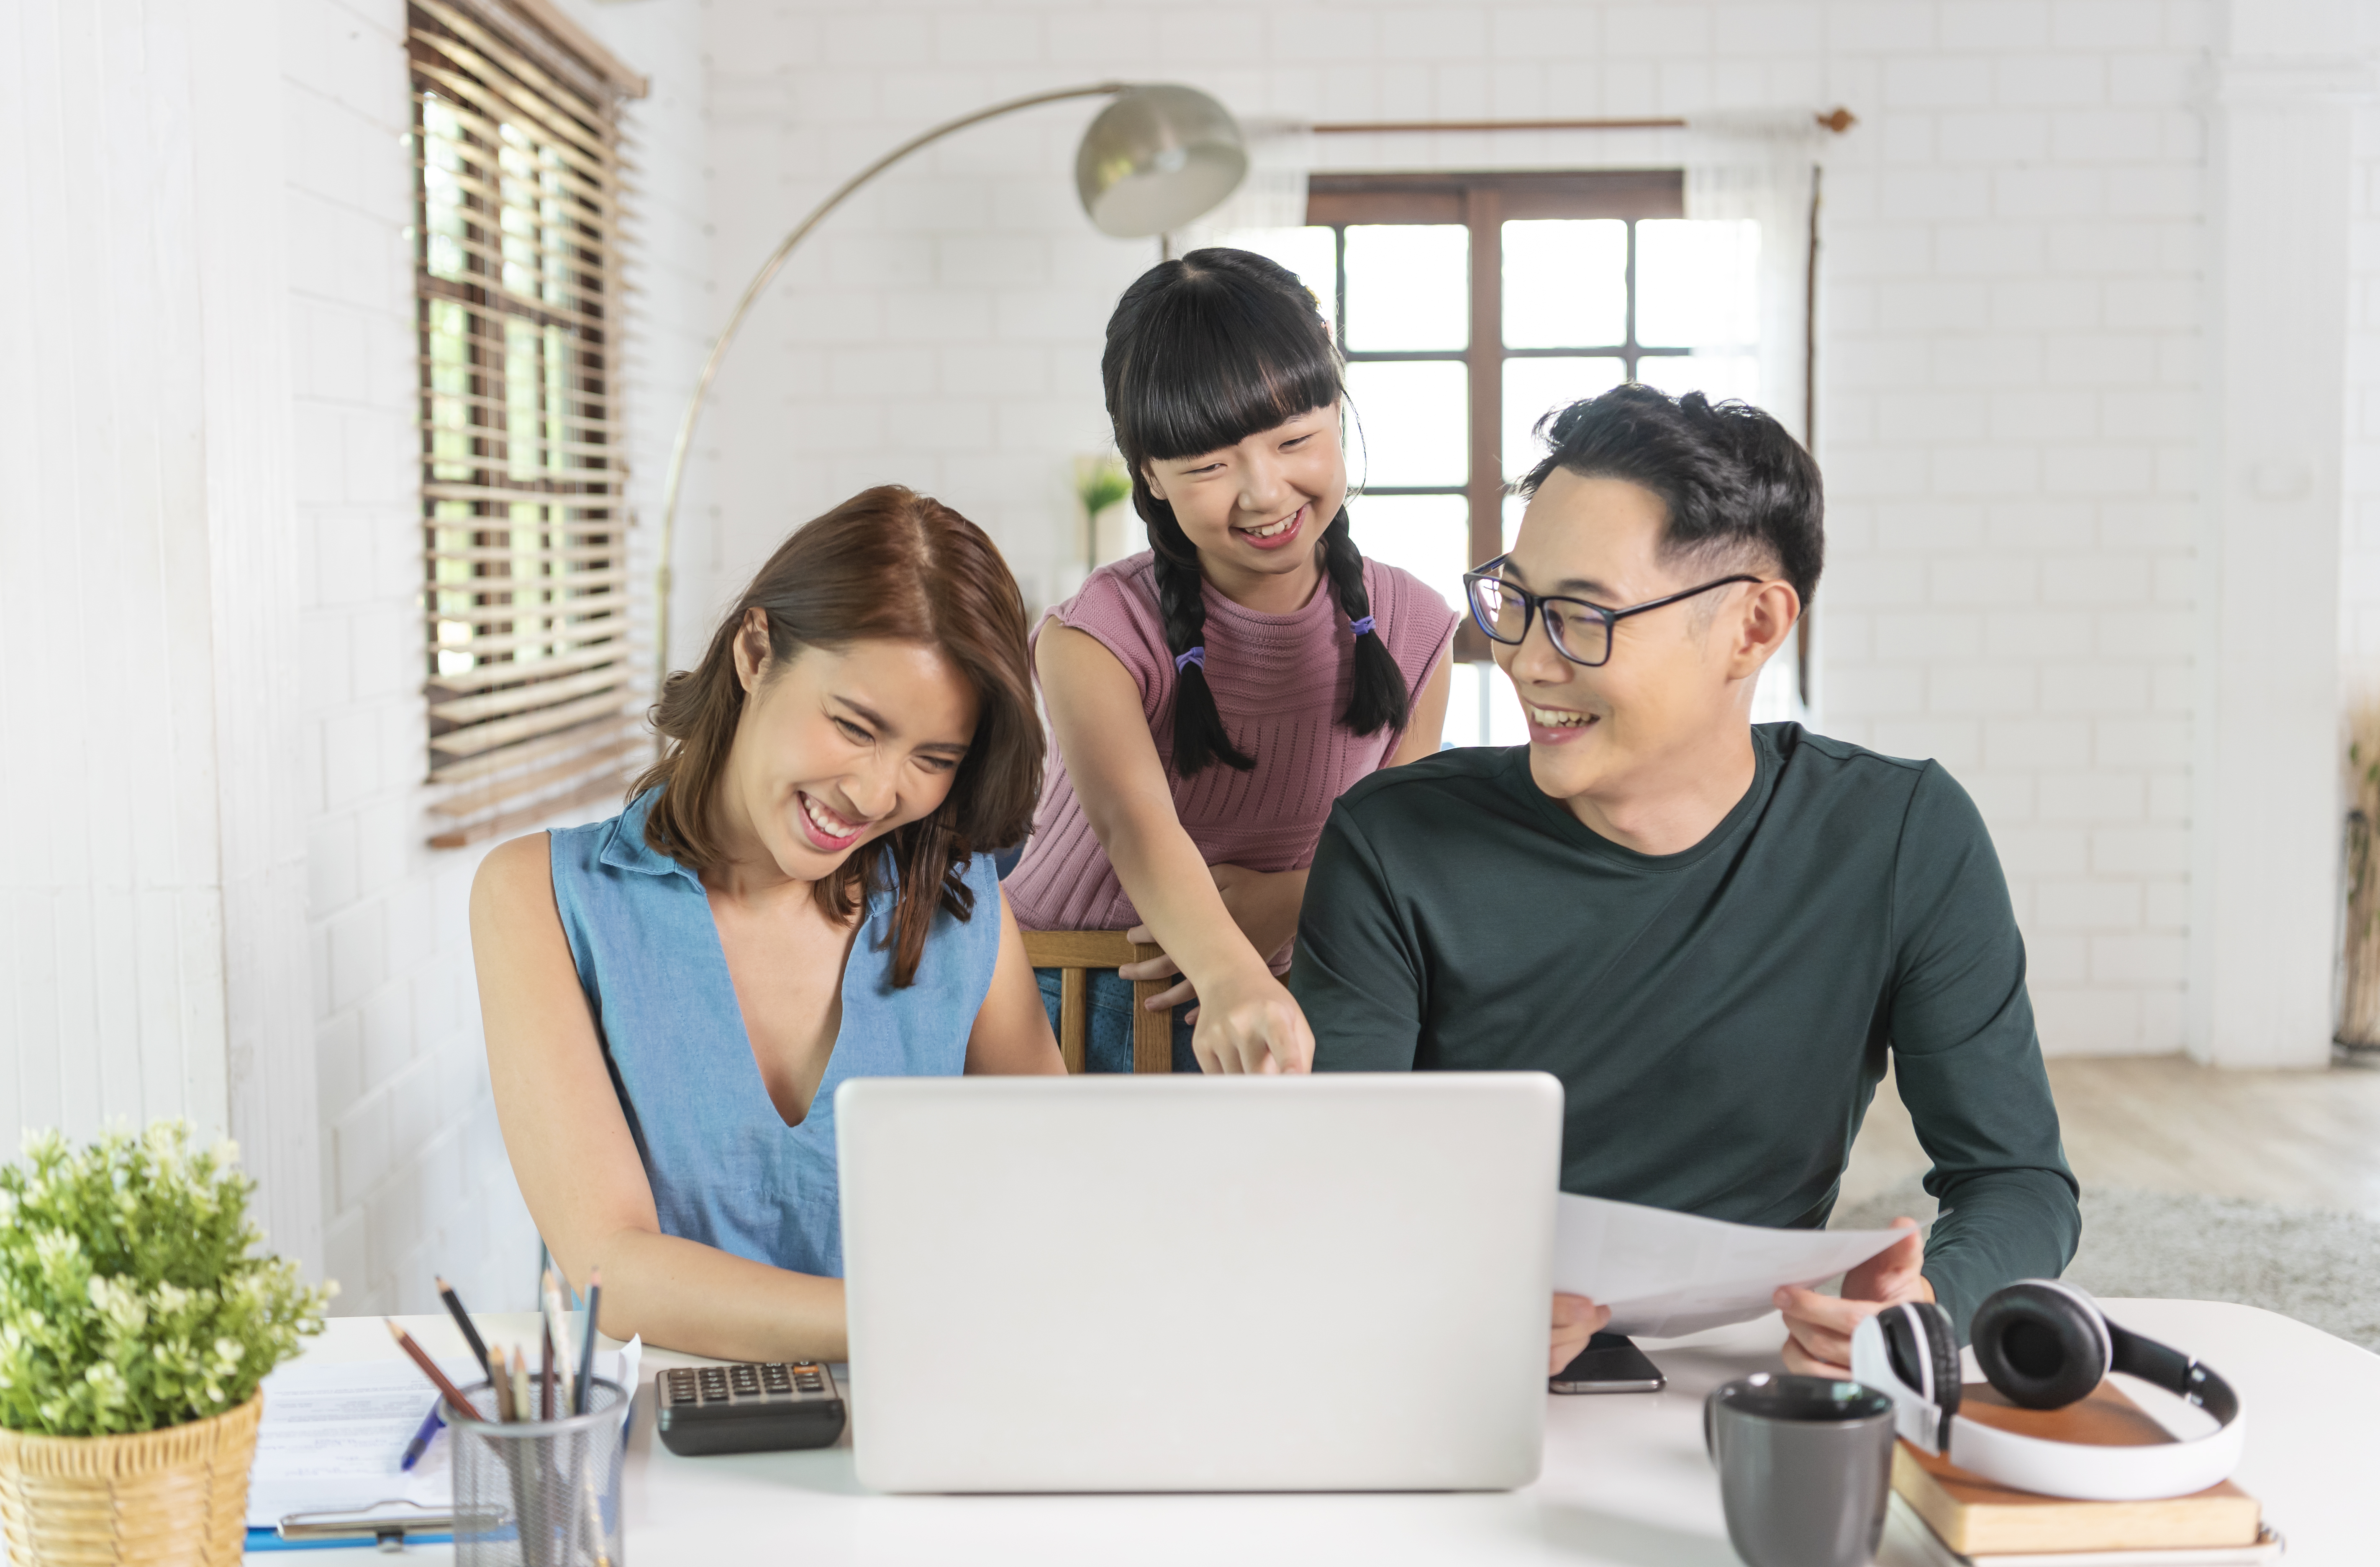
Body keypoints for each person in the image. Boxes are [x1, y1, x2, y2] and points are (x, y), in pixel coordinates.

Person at [1293, 386, 2080, 1377]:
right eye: (1517, 602)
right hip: (1449, 1363)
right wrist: (1439, 1290)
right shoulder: (1394, 841)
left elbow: (2019, 1182)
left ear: (1754, 626)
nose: (1527, 660)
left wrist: (1925, 1308)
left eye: (1582, 616)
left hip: (1749, 1374)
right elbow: (1331, 1180)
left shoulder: (1901, 838)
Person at [472, 486, 1064, 1362]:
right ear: (755, 651)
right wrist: (911, 1324)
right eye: (855, 725)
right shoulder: (541, 898)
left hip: (912, 1418)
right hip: (660, 1442)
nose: (875, 793)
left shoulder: (958, 903)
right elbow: (611, 1268)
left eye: (933, 759)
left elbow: (1056, 1192)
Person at [1003, 248, 1458, 1075]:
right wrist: (1226, 967)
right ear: (1150, 475)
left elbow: (1401, 854)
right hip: (1065, 996)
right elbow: (1134, 825)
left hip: (1291, 1001)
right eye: (1209, 465)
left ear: (1337, 412)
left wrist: (1283, 903)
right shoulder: (1096, 633)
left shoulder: (1418, 627)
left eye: (1294, 440)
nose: (1263, 492)